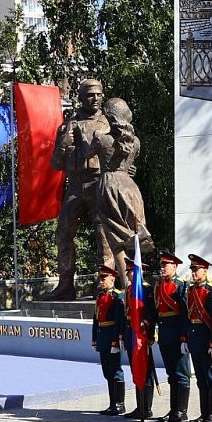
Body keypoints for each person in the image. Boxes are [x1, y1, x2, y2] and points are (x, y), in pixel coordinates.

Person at [44, 79, 112, 300]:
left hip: (99, 183)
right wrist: (64, 143)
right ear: (81, 97)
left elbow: (122, 154)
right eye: (90, 95)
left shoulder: (108, 123)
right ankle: (65, 284)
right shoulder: (67, 126)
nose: (96, 99)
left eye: (99, 94)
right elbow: (55, 164)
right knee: (63, 233)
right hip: (75, 185)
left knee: (103, 235)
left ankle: (105, 283)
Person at [89, 98, 153, 288]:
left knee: (116, 239)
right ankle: (138, 285)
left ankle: (127, 286)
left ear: (109, 117)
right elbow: (128, 163)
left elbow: (85, 154)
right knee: (135, 236)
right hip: (130, 187)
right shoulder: (136, 142)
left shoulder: (101, 138)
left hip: (109, 186)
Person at [185, 253, 212, 422]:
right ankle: (204, 413)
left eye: (196, 269)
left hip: (207, 340)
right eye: (192, 269)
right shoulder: (191, 290)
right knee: (201, 378)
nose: (193, 273)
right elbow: (188, 316)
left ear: (205, 271)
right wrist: (186, 338)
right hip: (195, 339)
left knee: (210, 377)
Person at [155, 251, 190, 422]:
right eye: (161, 265)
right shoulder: (158, 286)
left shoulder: (181, 286)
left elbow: (186, 313)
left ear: (175, 267)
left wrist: (184, 336)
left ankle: (181, 411)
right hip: (164, 333)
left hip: (177, 334)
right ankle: (173, 409)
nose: (163, 268)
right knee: (171, 373)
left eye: (166, 265)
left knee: (181, 373)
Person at [123, 258, 157, 420]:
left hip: (142, 334)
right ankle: (139, 406)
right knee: (136, 369)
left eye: (131, 271)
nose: (128, 274)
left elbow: (151, 313)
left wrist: (148, 334)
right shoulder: (130, 289)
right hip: (131, 333)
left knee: (146, 371)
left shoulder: (146, 289)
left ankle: (146, 408)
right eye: (128, 272)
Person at [92, 265, 127, 415]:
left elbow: (119, 321)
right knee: (107, 371)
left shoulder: (117, 296)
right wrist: (95, 339)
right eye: (100, 278)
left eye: (104, 278)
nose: (101, 281)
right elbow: (96, 319)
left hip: (112, 336)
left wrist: (116, 341)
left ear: (112, 279)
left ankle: (120, 404)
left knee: (116, 371)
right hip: (102, 337)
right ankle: (112, 404)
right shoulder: (100, 296)